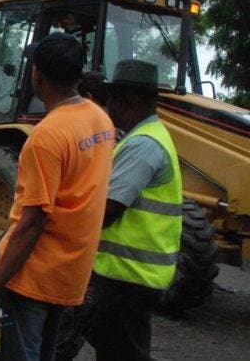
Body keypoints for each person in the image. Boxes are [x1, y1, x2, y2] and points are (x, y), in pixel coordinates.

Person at [0, 32, 115, 361]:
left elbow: (33, 221)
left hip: (30, 277)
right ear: (79, 74)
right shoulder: (100, 121)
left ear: (37, 75)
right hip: (68, 275)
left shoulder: (47, 137)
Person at [88, 60, 183, 360]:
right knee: (118, 348)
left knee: (123, 352)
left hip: (128, 274)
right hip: (134, 273)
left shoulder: (143, 144)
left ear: (125, 102)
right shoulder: (148, 137)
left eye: (112, 102)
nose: (109, 110)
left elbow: (108, 210)